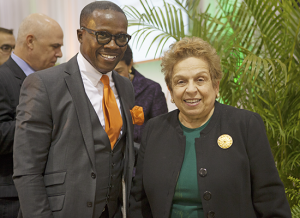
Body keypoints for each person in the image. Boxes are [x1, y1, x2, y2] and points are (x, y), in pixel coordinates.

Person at [129, 37, 291, 218]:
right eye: (181, 82)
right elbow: (139, 202)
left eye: (200, 79)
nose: (191, 89)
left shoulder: (246, 125)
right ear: (171, 90)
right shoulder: (154, 130)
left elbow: (270, 199)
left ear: (216, 86)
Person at [13, 1, 136, 218]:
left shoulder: (125, 87)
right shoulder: (44, 84)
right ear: (80, 35)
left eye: (121, 38)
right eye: (103, 35)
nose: (113, 45)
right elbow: (27, 171)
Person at [0, 14, 63, 218]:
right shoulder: (2, 79)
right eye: (54, 46)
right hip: (12, 199)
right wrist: (41, 121)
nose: (60, 54)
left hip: (51, 195)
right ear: (30, 42)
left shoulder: (54, 81)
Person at [114, 45, 168, 144]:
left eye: (118, 71)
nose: (113, 77)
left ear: (130, 64)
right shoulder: (101, 89)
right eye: (109, 72)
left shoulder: (151, 89)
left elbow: (162, 131)